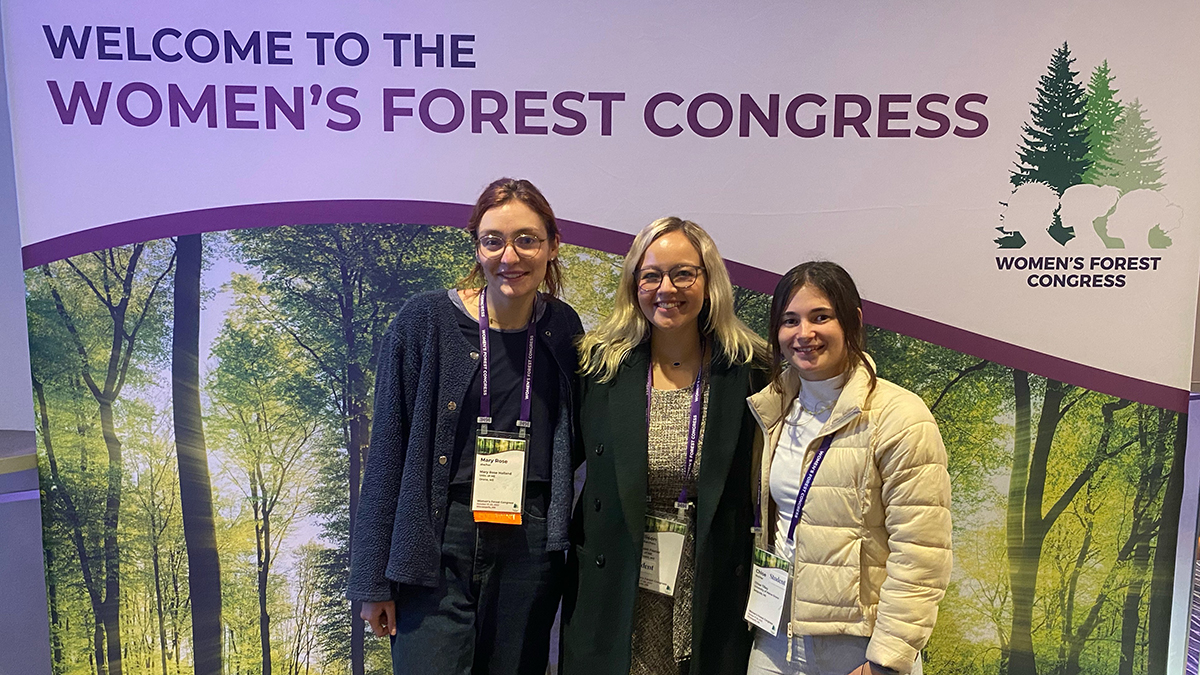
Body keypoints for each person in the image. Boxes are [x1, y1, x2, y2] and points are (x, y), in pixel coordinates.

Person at [347, 178, 584, 675]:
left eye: (527, 239)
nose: (509, 256)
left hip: (530, 539)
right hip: (435, 538)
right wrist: (372, 581)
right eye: (493, 240)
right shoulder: (424, 321)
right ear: (477, 245)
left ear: (552, 245)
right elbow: (387, 450)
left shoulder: (563, 327)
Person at [561, 217, 767, 675]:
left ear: (709, 280)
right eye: (651, 274)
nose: (666, 288)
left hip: (709, 582)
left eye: (683, 273)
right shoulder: (598, 366)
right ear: (634, 283)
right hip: (615, 581)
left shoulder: (749, 370)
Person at [744, 261, 951, 675]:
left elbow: (922, 552)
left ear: (852, 320)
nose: (804, 334)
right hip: (776, 636)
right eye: (790, 321)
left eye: (820, 316)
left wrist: (887, 660)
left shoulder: (899, 416)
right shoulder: (773, 409)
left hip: (859, 646)